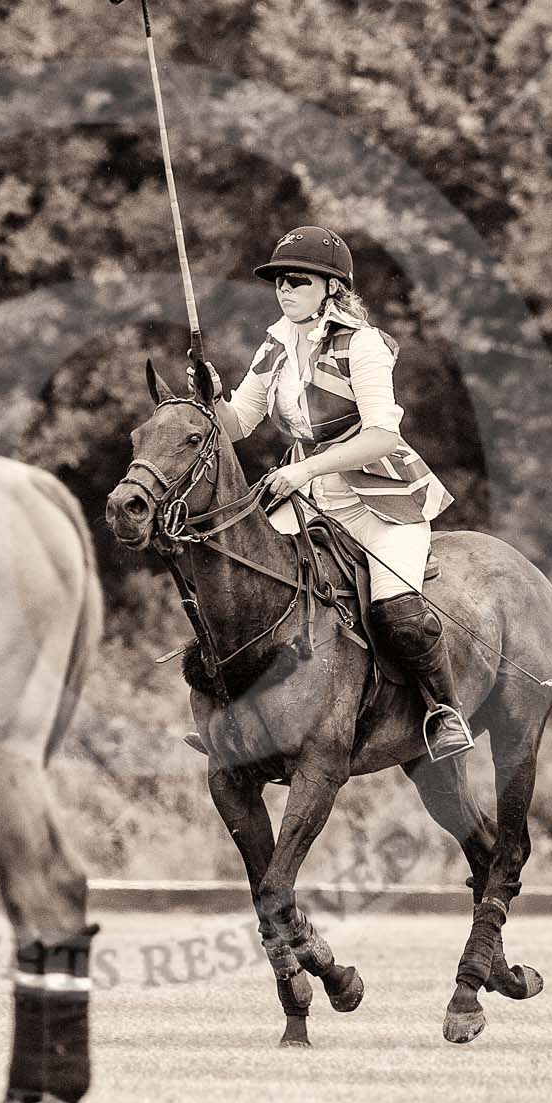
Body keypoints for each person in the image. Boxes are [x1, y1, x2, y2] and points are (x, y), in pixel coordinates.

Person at [206, 225, 474, 759]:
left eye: (298, 281)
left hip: (381, 499)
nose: (285, 289)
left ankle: (443, 711)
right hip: (307, 498)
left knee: (396, 609)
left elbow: (381, 434)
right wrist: (211, 397)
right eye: (280, 280)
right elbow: (238, 424)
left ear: (330, 287)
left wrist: (305, 472)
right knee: (241, 582)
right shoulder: (275, 346)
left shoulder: (363, 344)